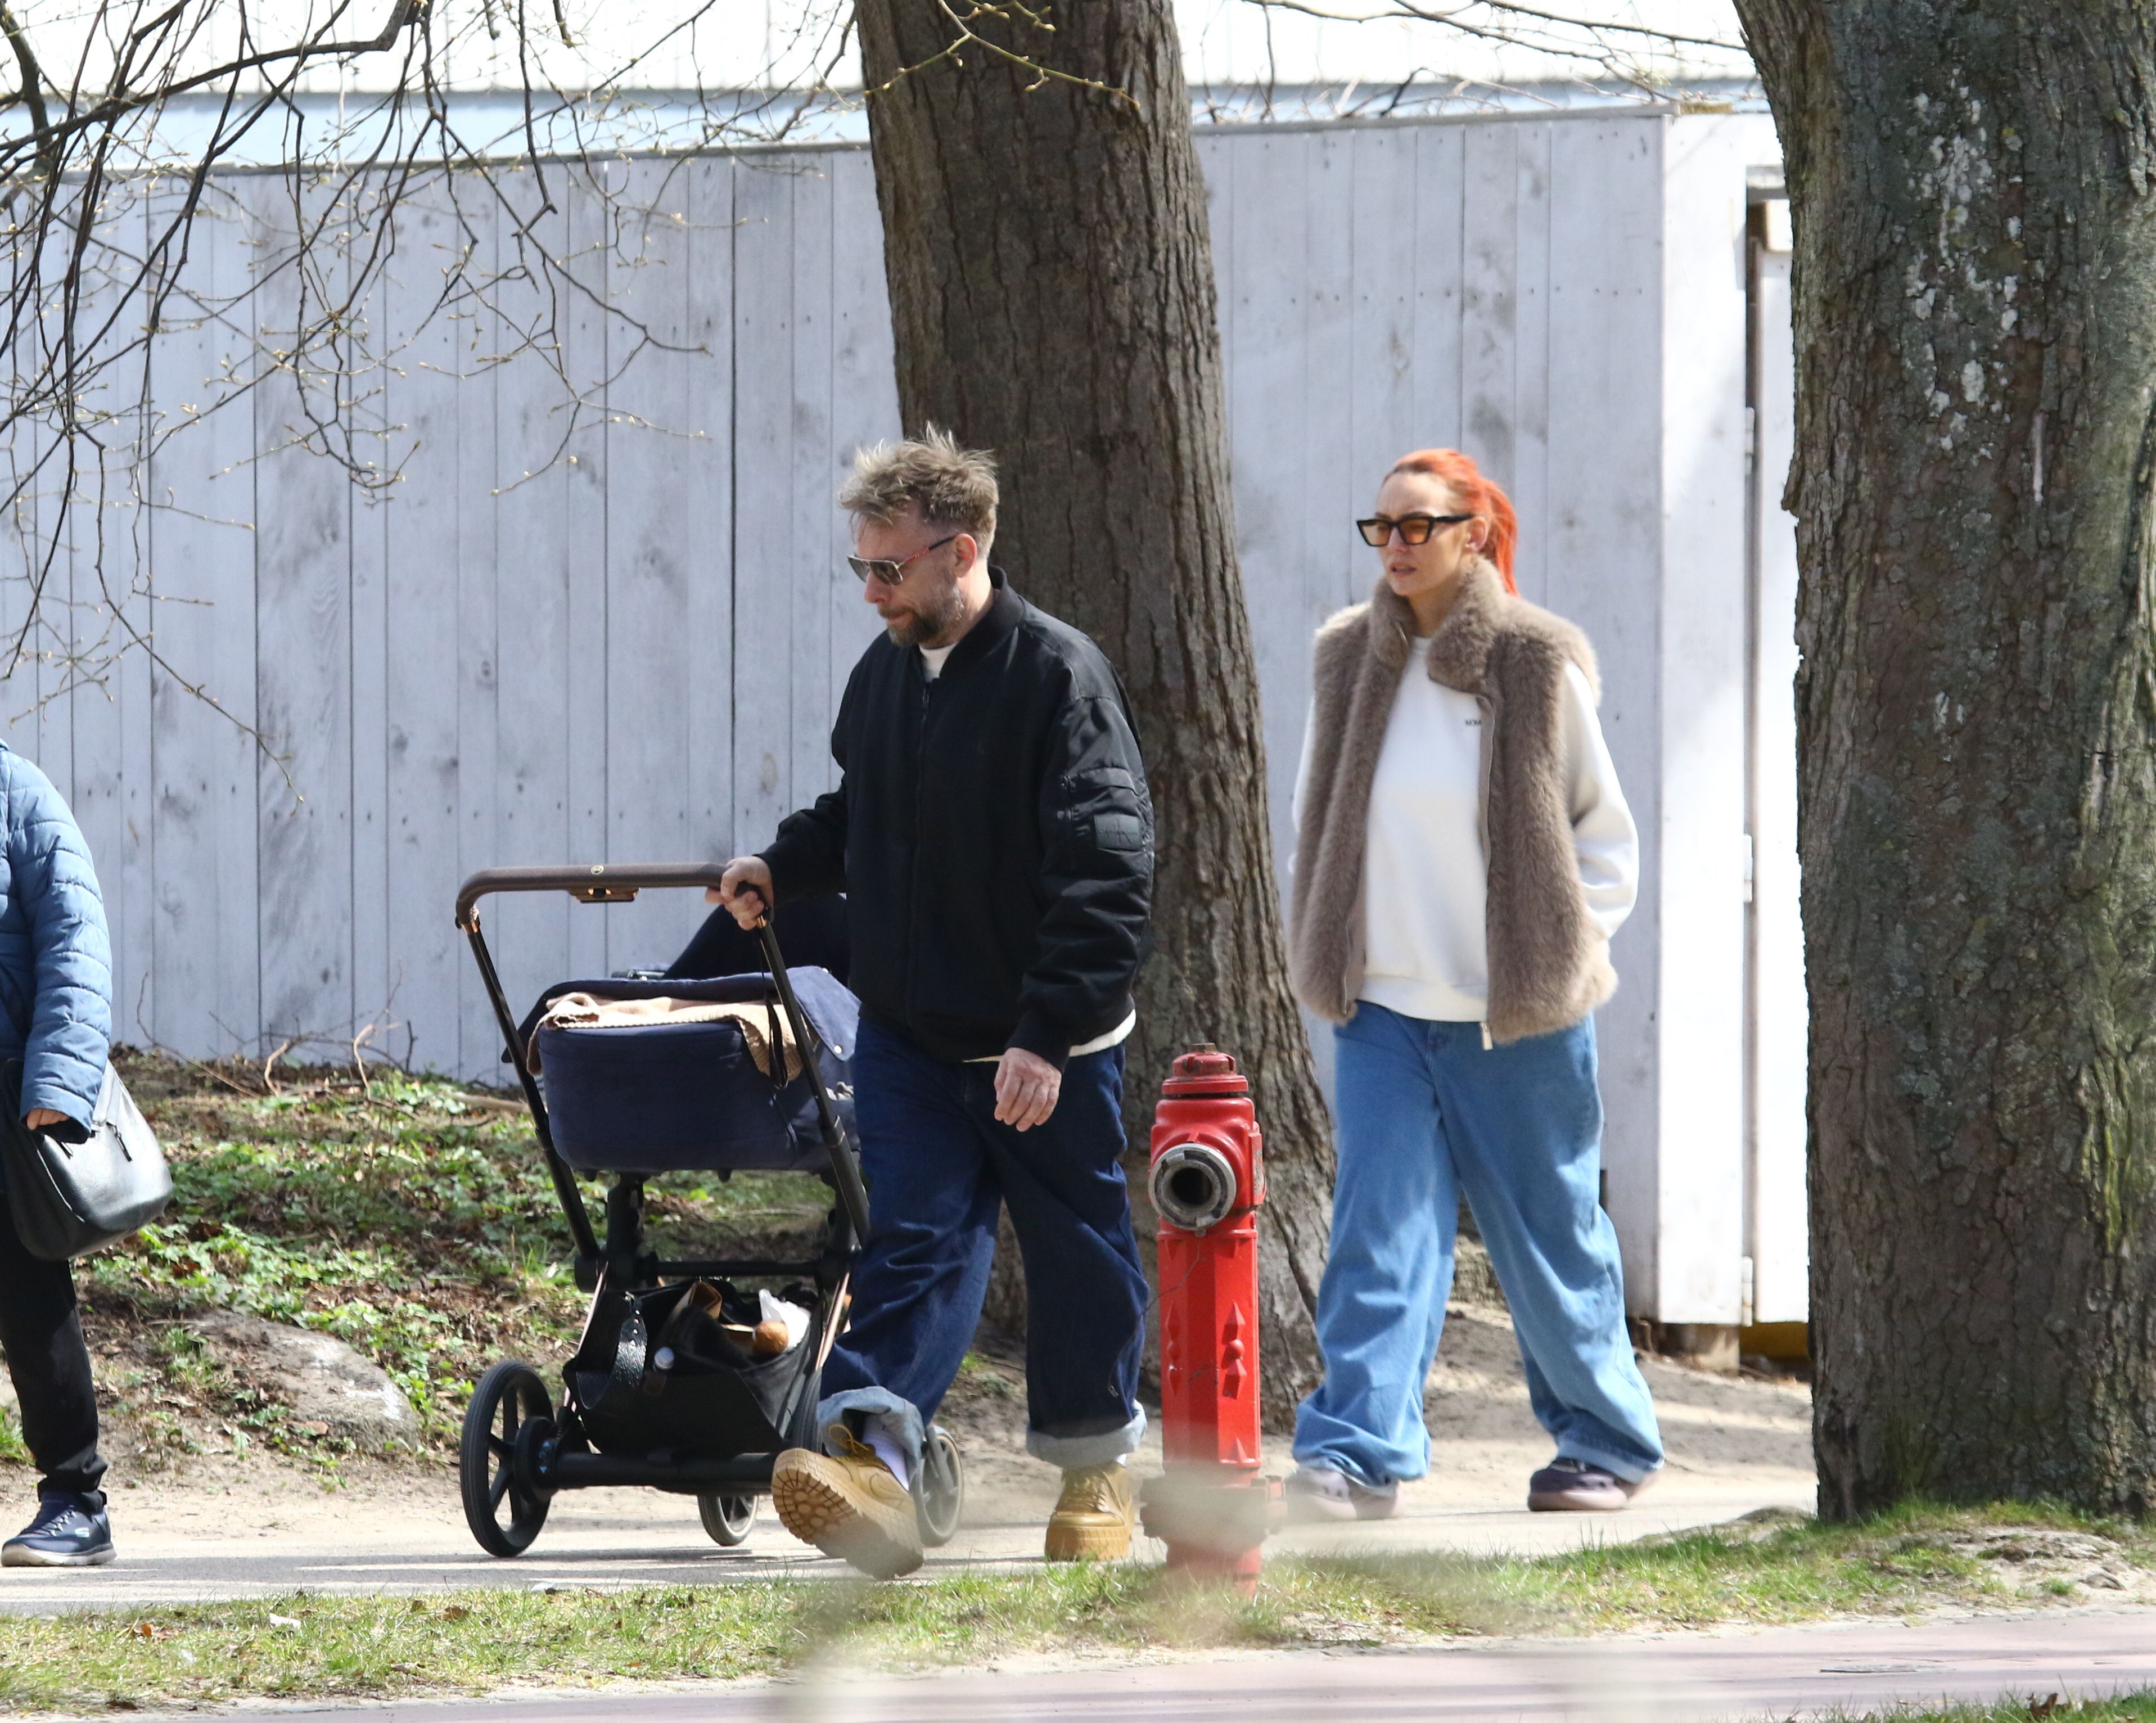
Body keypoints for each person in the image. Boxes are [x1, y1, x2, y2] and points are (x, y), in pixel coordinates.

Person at [712, 427, 1154, 1578]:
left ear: (960, 553)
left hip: (1039, 1039)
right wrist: (782, 863)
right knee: (911, 1244)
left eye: (889, 569)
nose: (872, 590)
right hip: (914, 1030)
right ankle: (872, 1467)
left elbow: (1107, 870)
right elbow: (862, 811)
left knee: (1074, 1254)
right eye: (860, 567)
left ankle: (1093, 1470)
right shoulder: (888, 673)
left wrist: (1047, 1034)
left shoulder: (1060, 677)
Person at [1283, 447, 1663, 1519]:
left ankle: (1605, 1442)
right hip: (1383, 1008)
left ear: (1473, 533)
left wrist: (1563, 948)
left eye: (1418, 526)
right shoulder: (1344, 659)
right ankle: (1355, 1453)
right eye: (1382, 527)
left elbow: (1604, 834)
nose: (1395, 545)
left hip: (1518, 1015)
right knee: (1378, 1233)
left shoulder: (1537, 661)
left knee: (1550, 1238)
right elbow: (1319, 818)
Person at [0, 742, 117, 1566]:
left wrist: (59, 1081)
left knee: (28, 1297)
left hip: (6, 1098)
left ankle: (76, 1498)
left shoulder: (18, 795)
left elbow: (76, 937)